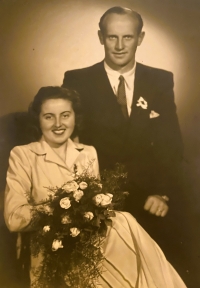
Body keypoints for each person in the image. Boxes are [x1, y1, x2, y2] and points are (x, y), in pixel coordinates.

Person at [4, 86, 186, 287]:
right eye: (48, 117)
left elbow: (96, 212)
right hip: (50, 248)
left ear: (75, 117)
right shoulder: (23, 155)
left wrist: (88, 213)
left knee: (123, 223)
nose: (58, 124)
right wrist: (63, 210)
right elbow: (14, 219)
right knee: (124, 227)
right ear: (38, 120)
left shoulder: (88, 153)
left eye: (65, 115)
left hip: (91, 246)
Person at [62, 6, 191, 280]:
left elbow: (172, 144)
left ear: (140, 38)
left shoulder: (159, 79)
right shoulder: (77, 80)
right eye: (112, 37)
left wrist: (162, 194)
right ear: (100, 37)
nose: (120, 46)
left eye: (128, 37)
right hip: (102, 196)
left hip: (154, 198)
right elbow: (73, 147)